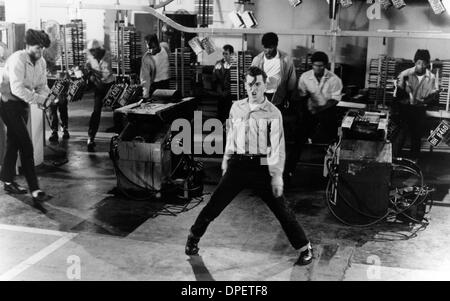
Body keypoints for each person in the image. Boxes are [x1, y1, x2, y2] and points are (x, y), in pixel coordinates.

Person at [185, 66, 313, 266]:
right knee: (214, 205)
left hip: (262, 166)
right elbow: (230, 135)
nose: (254, 88)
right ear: (245, 85)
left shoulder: (273, 112)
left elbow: (278, 147)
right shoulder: (236, 107)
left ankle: (305, 247)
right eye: (250, 84)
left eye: (258, 84)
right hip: (238, 163)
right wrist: (226, 160)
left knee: (282, 211)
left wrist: (277, 175)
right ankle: (193, 237)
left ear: (265, 86)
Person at [0, 29, 53, 204]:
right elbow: (17, 89)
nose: (40, 52)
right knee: (26, 145)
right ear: (28, 46)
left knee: (14, 142)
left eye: (43, 49)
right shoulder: (17, 59)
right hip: (7, 102)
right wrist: (40, 100)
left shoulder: (41, 62)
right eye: (38, 48)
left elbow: (42, 85)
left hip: (22, 103)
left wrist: (48, 98)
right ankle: (35, 190)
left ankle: (7, 180)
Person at [251, 32, 300, 184]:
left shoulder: (285, 59)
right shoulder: (257, 60)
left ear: (276, 46)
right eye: (265, 48)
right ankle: (262, 170)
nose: (267, 51)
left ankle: (276, 171)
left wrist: (289, 100)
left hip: (278, 102)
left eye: (270, 48)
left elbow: (292, 82)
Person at [393, 49, 439, 160]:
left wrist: (425, 101)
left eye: (424, 63)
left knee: (416, 136)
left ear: (428, 63)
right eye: (419, 63)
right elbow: (397, 95)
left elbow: (434, 95)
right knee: (401, 135)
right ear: (415, 62)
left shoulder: (432, 78)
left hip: (419, 110)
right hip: (405, 109)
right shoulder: (405, 74)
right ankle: (392, 159)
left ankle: (413, 161)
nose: (421, 66)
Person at [298, 51, 343, 144]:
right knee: (302, 135)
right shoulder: (305, 77)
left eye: (321, 66)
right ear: (312, 65)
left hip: (327, 111)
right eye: (316, 65)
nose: (318, 68)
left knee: (326, 139)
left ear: (326, 65)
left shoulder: (334, 79)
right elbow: (301, 95)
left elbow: (335, 100)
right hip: (309, 111)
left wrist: (319, 109)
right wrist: (307, 106)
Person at [85, 39, 115, 152]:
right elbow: (89, 68)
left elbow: (109, 75)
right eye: (90, 51)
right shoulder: (91, 57)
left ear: (98, 50)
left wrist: (95, 76)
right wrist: (89, 73)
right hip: (99, 86)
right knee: (96, 111)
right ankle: (91, 137)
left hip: (110, 85)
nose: (92, 54)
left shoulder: (109, 57)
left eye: (93, 51)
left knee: (117, 110)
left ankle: (121, 136)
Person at [140, 34, 170, 99]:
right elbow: (145, 77)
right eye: (149, 48)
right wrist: (145, 95)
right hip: (156, 86)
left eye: (153, 47)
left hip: (168, 83)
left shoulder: (165, 47)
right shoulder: (147, 58)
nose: (151, 51)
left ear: (157, 43)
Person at [213, 44, 234, 123]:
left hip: (230, 93)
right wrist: (220, 91)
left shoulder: (234, 65)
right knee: (220, 112)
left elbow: (234, 81)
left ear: (231, 54)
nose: (224, 56)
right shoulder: (218, 63)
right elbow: (214, 79)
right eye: (223, 53)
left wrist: (228, 91)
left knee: (229, 112)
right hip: (220, 92)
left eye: (226, 53)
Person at [48, 76, 69, 143]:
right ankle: (54, 131)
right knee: (52, 110)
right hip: (50, 85)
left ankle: (64, 128)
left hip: (62, 83)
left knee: (63, 109)